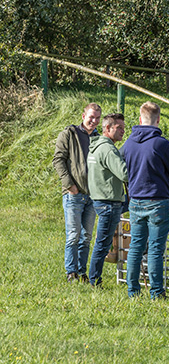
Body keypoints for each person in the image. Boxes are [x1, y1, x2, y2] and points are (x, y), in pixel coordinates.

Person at [121, 102, 169, 299]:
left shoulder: (128, 143)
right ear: (158, 119)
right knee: (155, 247)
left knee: (136, 246)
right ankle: (156, 291)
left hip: (136, 200)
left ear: (140, 119)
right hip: (157, 200)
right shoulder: (161, 143)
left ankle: (132, 290)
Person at [53, 102, 102, 283]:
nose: (94, 121)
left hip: (92, 195)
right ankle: (70, 272)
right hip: (74, 193)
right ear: (83, 116)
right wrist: (70, 185)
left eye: (97, 118)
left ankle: (82, 272)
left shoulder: (98, 138)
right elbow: (58, 160)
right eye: (91, 117)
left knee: (86, 236)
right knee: (73, 235)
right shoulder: (69, 134)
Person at [87, 113, 128, 288]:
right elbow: (125, 173)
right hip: (109, 201)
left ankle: (94, 277)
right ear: (107, 128)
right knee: (103, 243)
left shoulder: (96, 147)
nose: (123, 132)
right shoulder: (109, 150)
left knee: (103, 241)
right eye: (119, 128)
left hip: (100, 199)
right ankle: (94, 280)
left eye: (124, 128)